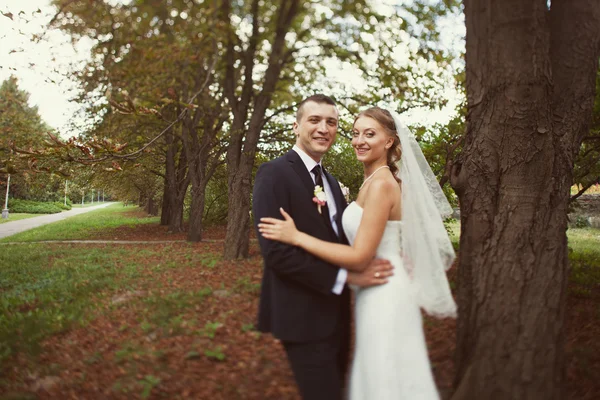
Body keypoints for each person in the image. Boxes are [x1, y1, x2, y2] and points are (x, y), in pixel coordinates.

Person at [258, 106, 457, 399]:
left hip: (384, 292)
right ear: (296, 126)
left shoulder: (381, 184)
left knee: (385, 377)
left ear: (390, 141)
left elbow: (361, 256)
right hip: (365, 294)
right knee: (376, 375)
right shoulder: (361, 183)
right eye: (355, 133)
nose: (359, 140)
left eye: (370, 134)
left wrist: (296, 236)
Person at [252, 95, 395, 400]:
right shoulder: (274, 173)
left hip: (339, 316)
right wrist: (346, 279)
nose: (323, 128)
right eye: (314, 120)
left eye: (331, 122)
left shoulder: (329, 181)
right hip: (301, 316)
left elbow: (343, 239)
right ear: (296, 126)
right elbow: (277, 253)